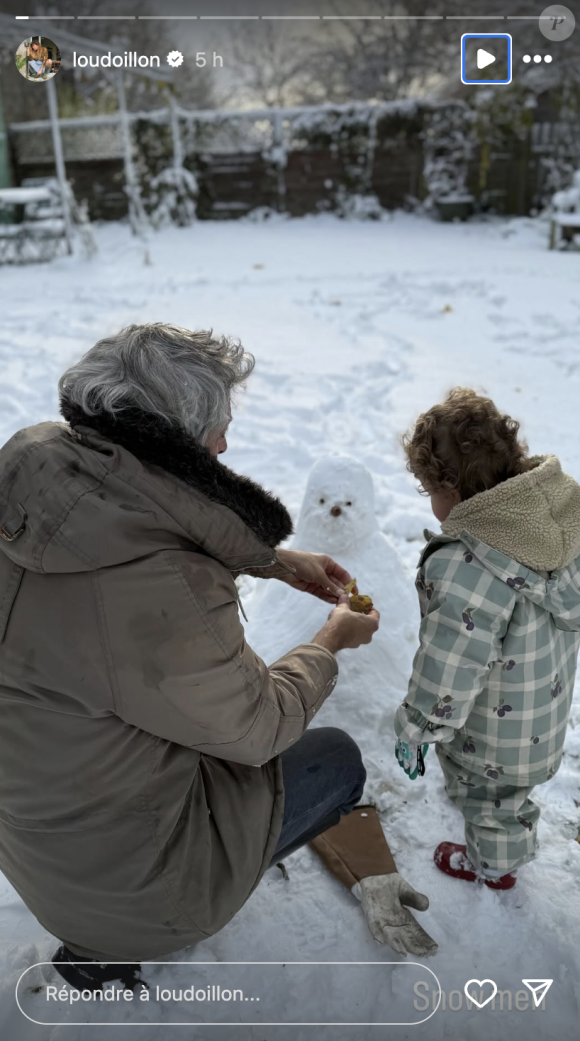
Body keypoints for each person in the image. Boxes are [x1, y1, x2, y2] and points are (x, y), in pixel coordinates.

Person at [0, 323, 433, 995]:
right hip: (134, 893)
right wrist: (329, 642)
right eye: (216, 428)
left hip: (34, 847)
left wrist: (270, 560)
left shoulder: (33, 479)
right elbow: (259, 725)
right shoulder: (165, 593)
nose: (226, 444)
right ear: (170, 435)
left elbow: (132, 525)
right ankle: (115, 947)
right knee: (335, 758)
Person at [394, 388, 580, 889]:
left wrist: (419, 728)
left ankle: (495, 867)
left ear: (450, 489)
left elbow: (450, 665)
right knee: (512, 794)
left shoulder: (466, 568)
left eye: (428, 489)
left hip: (490, 737)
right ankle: (512, 833)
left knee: (489, 802)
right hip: (541, 713)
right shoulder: (552, 527)